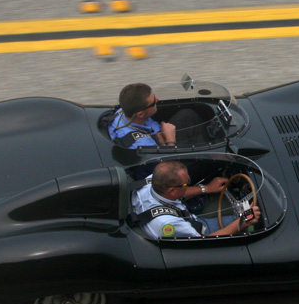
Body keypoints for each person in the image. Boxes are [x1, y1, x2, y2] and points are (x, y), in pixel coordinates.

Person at [132, 161, 261, 239]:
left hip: (185, 216)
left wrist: (207, 188)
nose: (188, 184)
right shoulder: (170, 225)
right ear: (172, 190)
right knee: (254, 220)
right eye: (186, 183)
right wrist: (243, 221)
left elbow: (177, 193)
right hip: (198, 230)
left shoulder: (153, 181)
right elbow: (207, 242)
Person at [107, 83, 178, 148]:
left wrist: (159, 134)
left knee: (186, 114)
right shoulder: (143, 143)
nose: (157, 100)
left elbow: (151, 123)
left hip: (154, 136)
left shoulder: (123, 111)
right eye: (153, 103)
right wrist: (170, 140)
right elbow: (167, 161)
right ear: (141, 114)